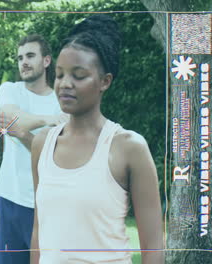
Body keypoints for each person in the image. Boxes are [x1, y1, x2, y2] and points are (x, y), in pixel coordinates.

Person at [30, 15, 164, 264]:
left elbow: (153, 245)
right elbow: (39, 231)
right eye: (59, 75)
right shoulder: (42, 144)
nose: (65, 84)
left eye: (78, 76)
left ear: (105, 81)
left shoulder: (129, 147)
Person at [0, 34, 68, 264]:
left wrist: (22, 132)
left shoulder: (61, 100)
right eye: (20, 57)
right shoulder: (10, 89)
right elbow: (8, 117)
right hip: (10, 200)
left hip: (44, 205)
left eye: (30, 56)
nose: (23, 62)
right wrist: (48, 120)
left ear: (46, 61)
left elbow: (54, 154)